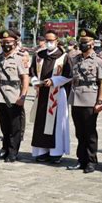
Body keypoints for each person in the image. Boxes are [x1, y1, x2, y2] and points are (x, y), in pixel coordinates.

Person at [67, 29, 102, 173]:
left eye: (85, 42)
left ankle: (91, 161)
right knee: (79, 132)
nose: (83, 44)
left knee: (89, 132)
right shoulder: (75, 59)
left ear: (92, 43)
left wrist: (100, 101)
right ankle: (81, 159)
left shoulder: (99, 61)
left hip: (90, 99)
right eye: (81, 42)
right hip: (76, 98)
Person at [29, 30, 72, 163]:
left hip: (56, 94)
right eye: (46, 41)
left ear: (57, 41)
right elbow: (32, 72)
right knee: (41, 122)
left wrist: (54, 81)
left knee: (57, 123)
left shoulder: (63, 57)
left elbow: (69, 75)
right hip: (42, 93)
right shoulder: (39, 56)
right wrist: (35, 81)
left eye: (51, 41)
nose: (48, 43)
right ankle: (42, 151)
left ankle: (56, 152)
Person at [0, 30, 30, 162]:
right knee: (4, 126)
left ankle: (13, 152)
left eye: (9, 42)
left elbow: (25, 78)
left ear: (15, 43)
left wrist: (23, 95)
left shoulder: (20, 58)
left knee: (15, 126)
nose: (6, 44)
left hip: (13, 95)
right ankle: (5, 149)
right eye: (3, 42)